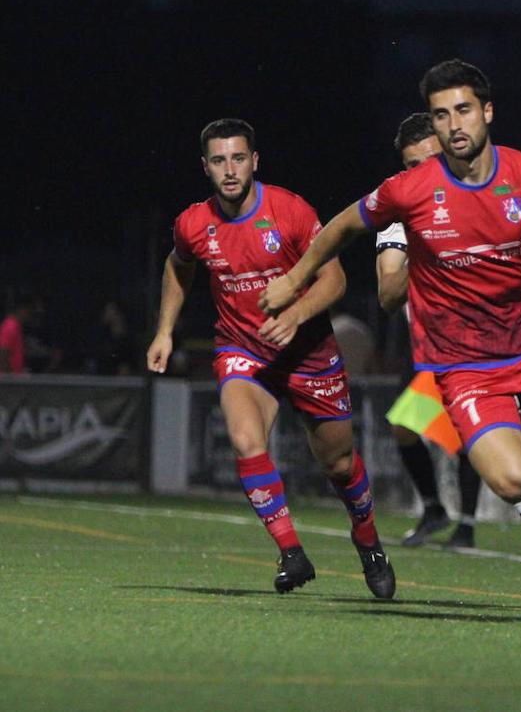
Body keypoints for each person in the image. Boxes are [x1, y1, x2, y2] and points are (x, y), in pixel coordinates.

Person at [262, 60, 521, 627]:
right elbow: (352, 237)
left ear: (487, 113)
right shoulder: (408, 196)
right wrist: (297, 279)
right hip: (461, 365)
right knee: (505, 472)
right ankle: (477, 511)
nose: (453, 124)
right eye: (442, 115)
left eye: (463, 110)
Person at [147, 118, 395, 599]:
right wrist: (164, 330)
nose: (230, 170)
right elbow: (178, 266)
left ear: (255, 161)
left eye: (238, 158)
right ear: (206, 167)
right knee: (245, 439)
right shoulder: (194, 223)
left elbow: (335, 279)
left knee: (340, 464)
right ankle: (291, 552)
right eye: (219, 161)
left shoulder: (290, 211)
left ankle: (366, 537)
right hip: (244, 349)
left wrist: (297, 312)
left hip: (309, 352)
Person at [378, 112, 521, 552]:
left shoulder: (485, 188)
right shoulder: (399, 216)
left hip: (516, 344)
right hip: (446, 355)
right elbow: (388, 295)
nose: (424, 172)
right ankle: (452, 514)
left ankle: (487, 517)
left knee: (508, 448)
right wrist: (422, 244)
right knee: (424, 431)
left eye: (432, 159)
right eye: (412, 166)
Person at [0, 294, 40, 374]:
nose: (30, 316)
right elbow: (2, 355)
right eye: (30, 312)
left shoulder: (16, 326)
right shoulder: (10, 327)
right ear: (22, 309)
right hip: (7, 382)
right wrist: (10, 380)